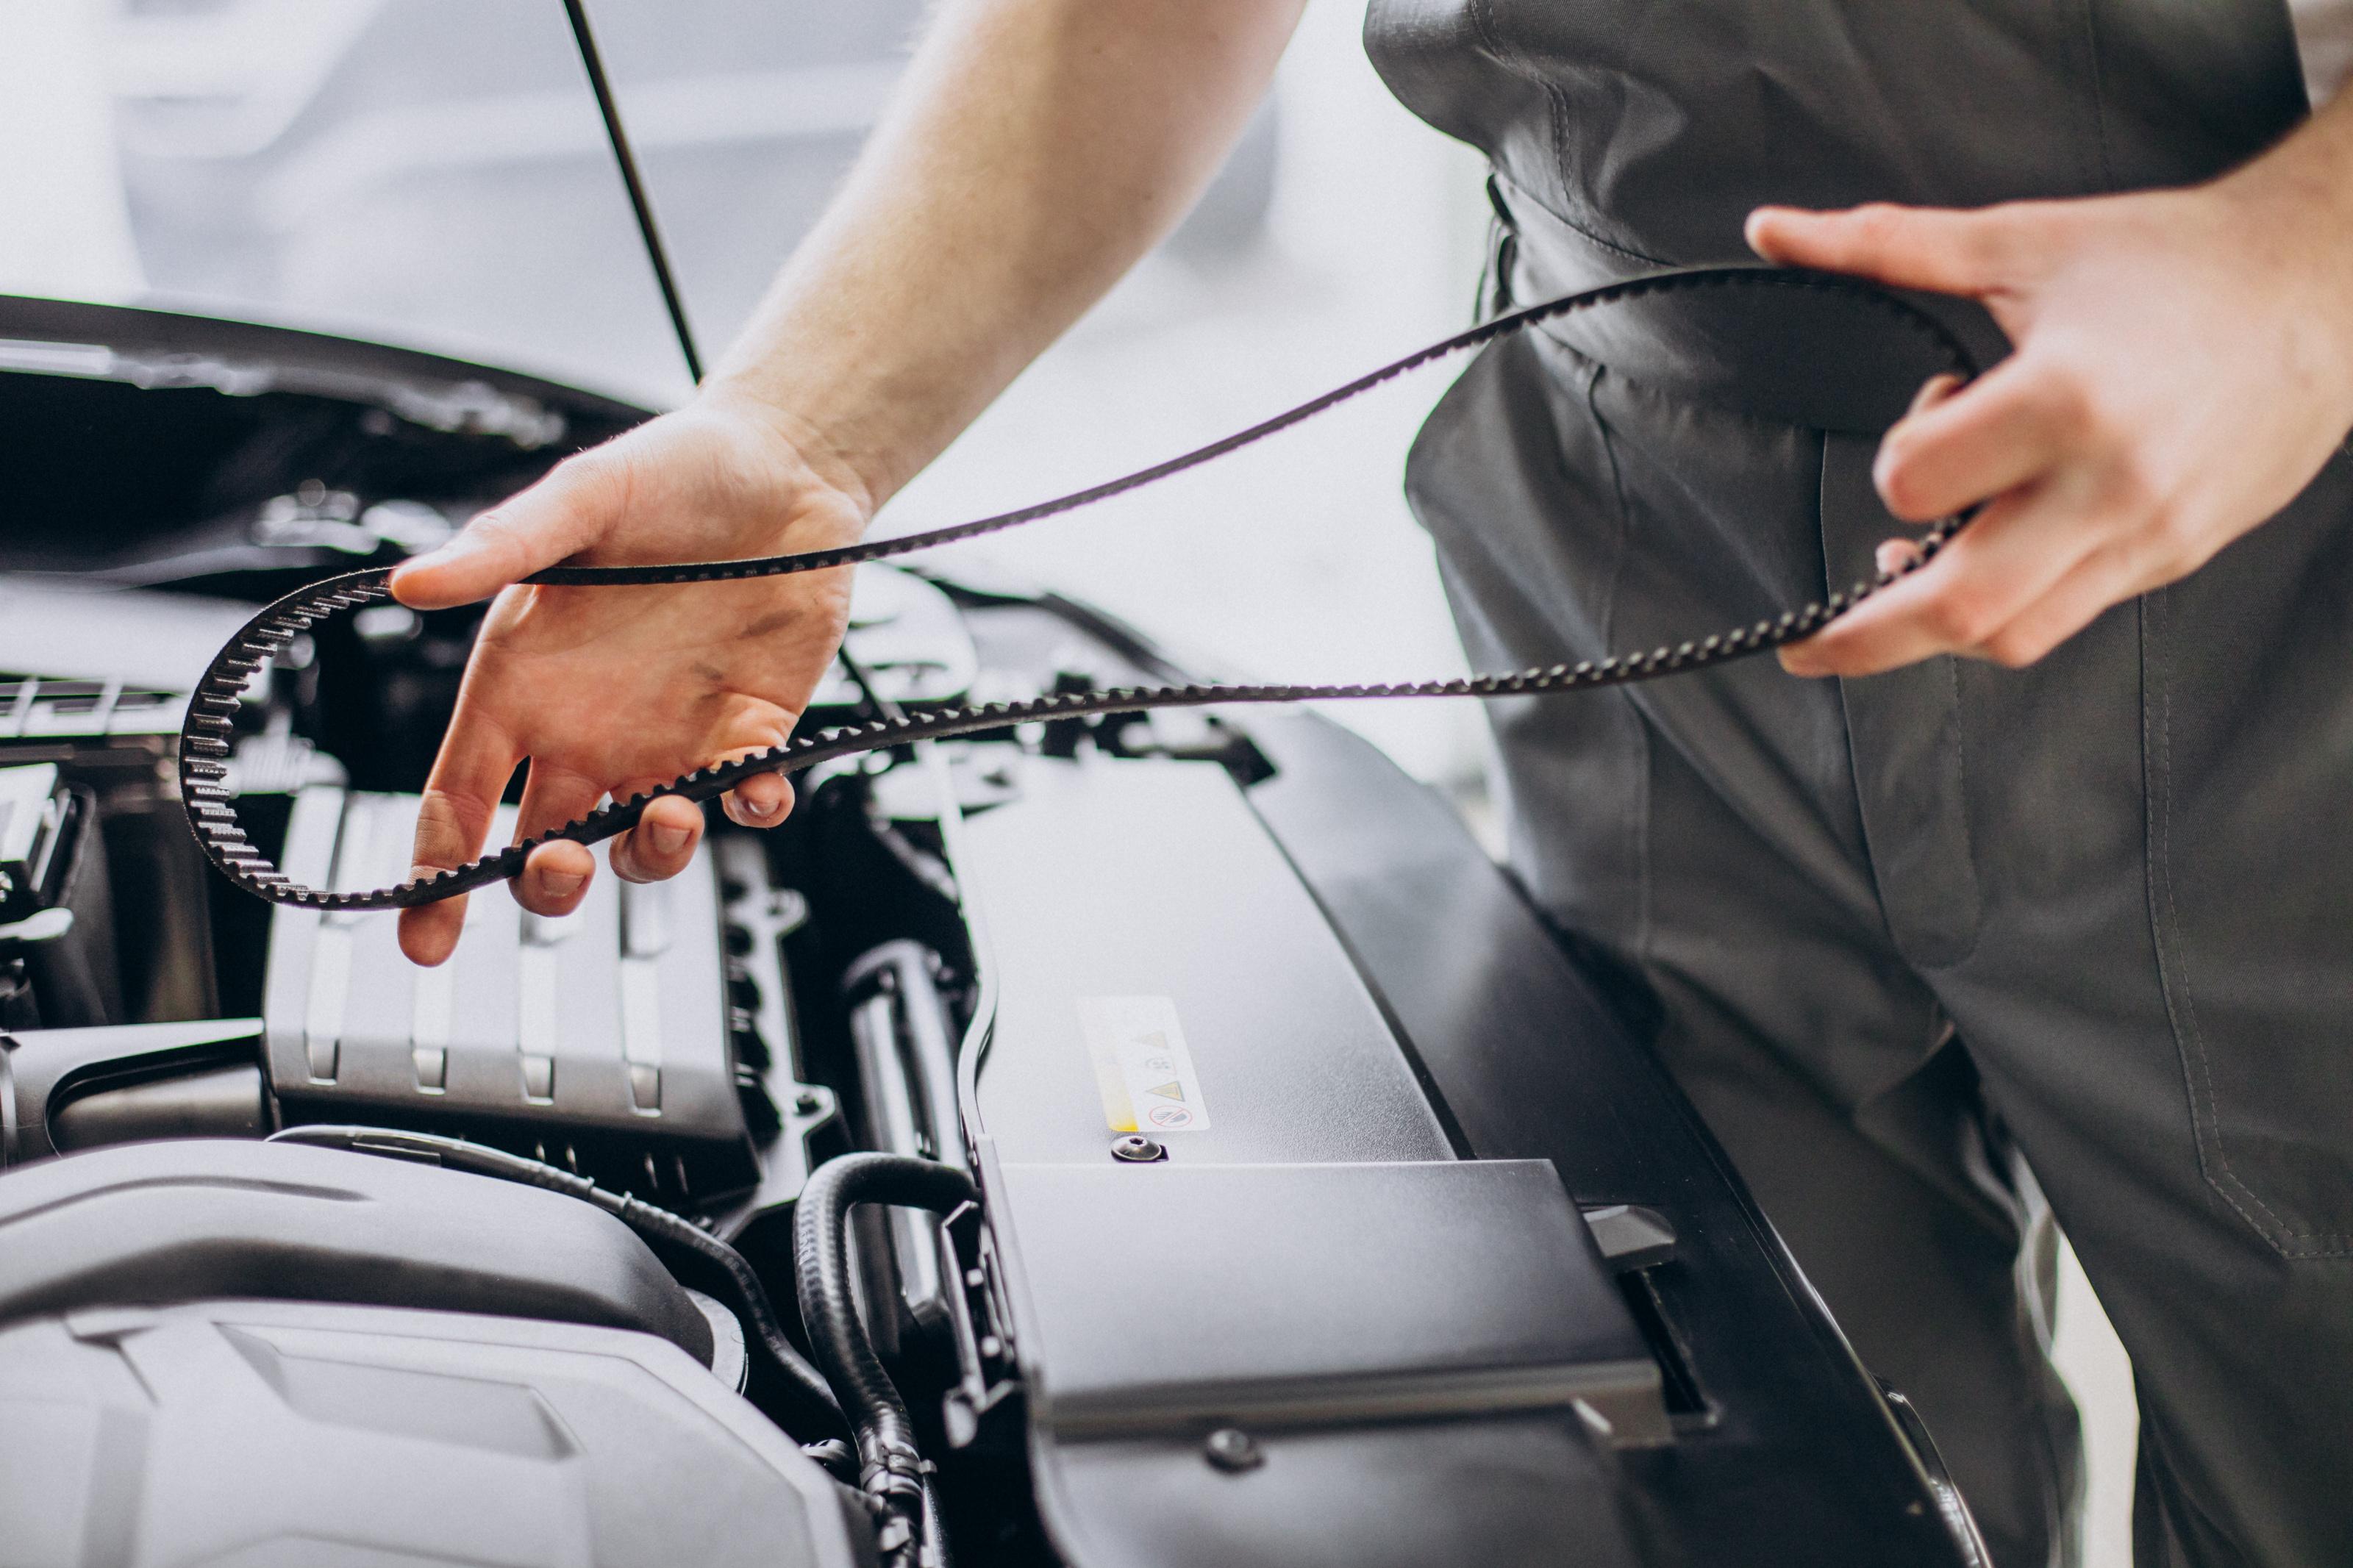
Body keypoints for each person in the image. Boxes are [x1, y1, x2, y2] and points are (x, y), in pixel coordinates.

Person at [387, 3, 2353, 1563]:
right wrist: (801, 433)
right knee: (1745, 1466)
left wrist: (2294, 281)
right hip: (1626, 515)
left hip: (2270, 524)